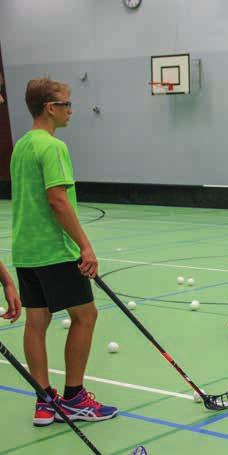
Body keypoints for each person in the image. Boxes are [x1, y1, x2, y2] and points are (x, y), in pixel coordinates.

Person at [11, 77, 117, 426]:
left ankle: (44, 402)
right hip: (55, 251)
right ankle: (74, 398)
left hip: (25, 251)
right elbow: (57, 200)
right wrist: (85, 245)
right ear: (49, 108)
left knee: (36, 323)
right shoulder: (54, 147)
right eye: (66, 104)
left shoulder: (22, 146)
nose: (71, 110)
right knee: (85, 316)